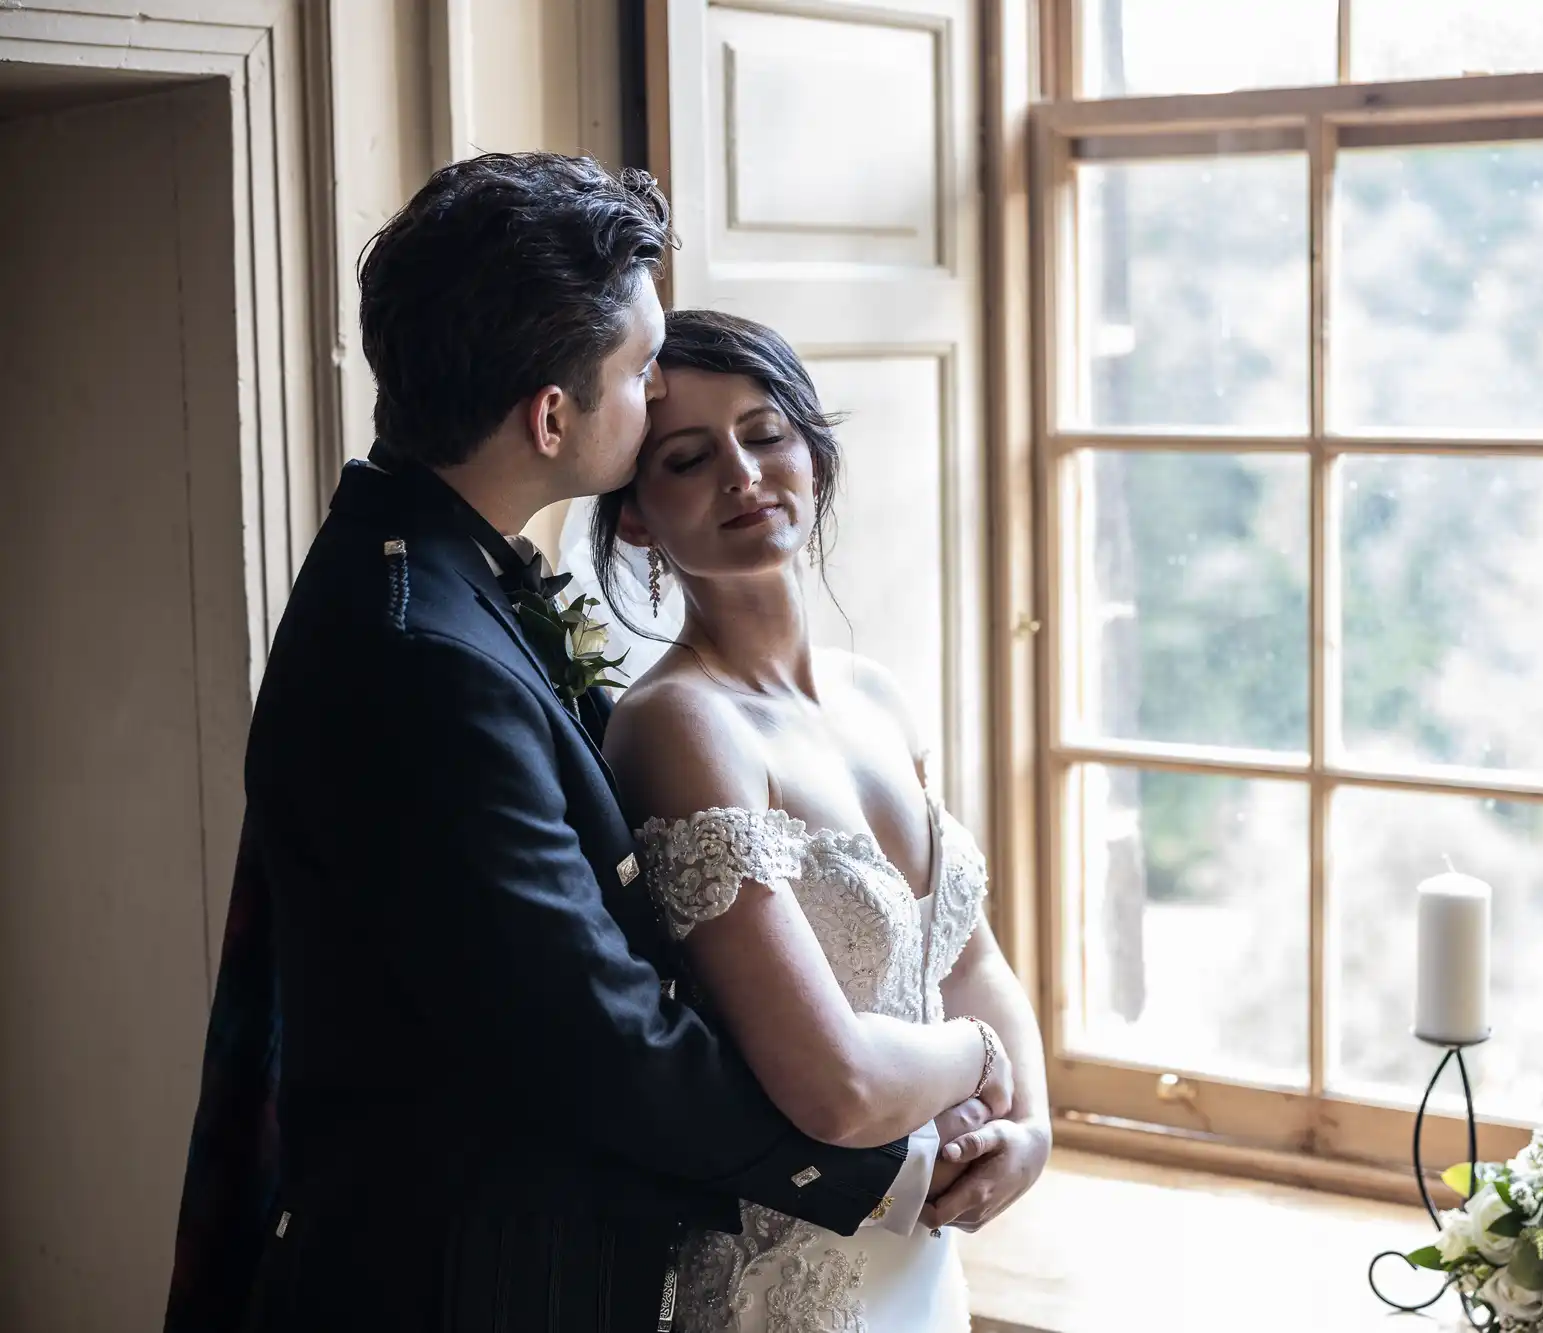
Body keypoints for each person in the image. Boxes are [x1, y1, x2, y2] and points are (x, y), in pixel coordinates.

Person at [163, 153, 973, 1333]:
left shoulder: (439, 577)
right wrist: (880, 1153)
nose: (658, 400)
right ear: (553, 416)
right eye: (643, 374)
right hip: (461, 1290)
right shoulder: (423, 654)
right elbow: (605, 1037)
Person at [591, 309, 1050, 1332]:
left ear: (811, 449)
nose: (743, 478)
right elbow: (830, 1085)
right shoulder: (678, 724)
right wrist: (980, 1058)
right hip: (792, 1276)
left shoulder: (875, 697)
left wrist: (1031, 1128)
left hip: (920, 1260)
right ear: (634, 515)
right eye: (687, 457)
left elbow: (966, 957)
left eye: (764, 435)